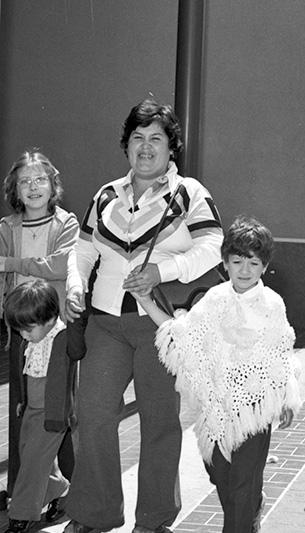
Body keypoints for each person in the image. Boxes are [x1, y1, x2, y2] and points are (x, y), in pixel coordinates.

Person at [62, 99, 224, 533]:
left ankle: (153, 520)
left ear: (172, 147)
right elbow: (82, 249)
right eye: (137, 138)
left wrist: (162, 269)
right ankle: (95, 513)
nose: (146, 147)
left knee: (159, 422)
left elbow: (212, 246)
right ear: (126, 145)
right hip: (105, 324)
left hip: (160, 325)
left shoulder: (189, 193)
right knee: (93, 415)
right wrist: (76, 286)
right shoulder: (106, 194)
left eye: (156, 139)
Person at [131, 216, 302, 533]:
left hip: (255, 407)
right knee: (219, 470)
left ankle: (243, 516)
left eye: (253, 263)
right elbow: (183, 334)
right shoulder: (215, 299)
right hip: (219, 405)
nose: (245, 270)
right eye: (237, 262)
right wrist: (145, 301)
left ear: (264, 266)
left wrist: (287, 398)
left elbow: (281, 353)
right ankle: (251, 505)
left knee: (242, 481)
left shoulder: (272, 304)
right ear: (225, 263)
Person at [0, 151, 79, 508]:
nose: (33, 188)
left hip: (56, 331)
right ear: (15, 189)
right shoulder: (6, 228)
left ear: (53, 185)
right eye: (24, 181)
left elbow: (62, 264)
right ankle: (23, 489)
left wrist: (15, 263)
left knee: (59, 413)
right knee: (24, 411)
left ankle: (73, 488)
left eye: (40, 179)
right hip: (20, 332)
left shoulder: (67, 224)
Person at [3, 281, 78, 533]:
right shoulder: (33, 339)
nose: (23, 335)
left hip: (53, 414)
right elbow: (29, 375)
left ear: (49, 318)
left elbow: (77, 354)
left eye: (28, 329)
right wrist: (23, 402)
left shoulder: (63, 337)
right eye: (19, 330)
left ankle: (20, 514)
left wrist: (75, 316)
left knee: (34, 462)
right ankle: (60, 489)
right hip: (32, 410)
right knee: (30, 457)